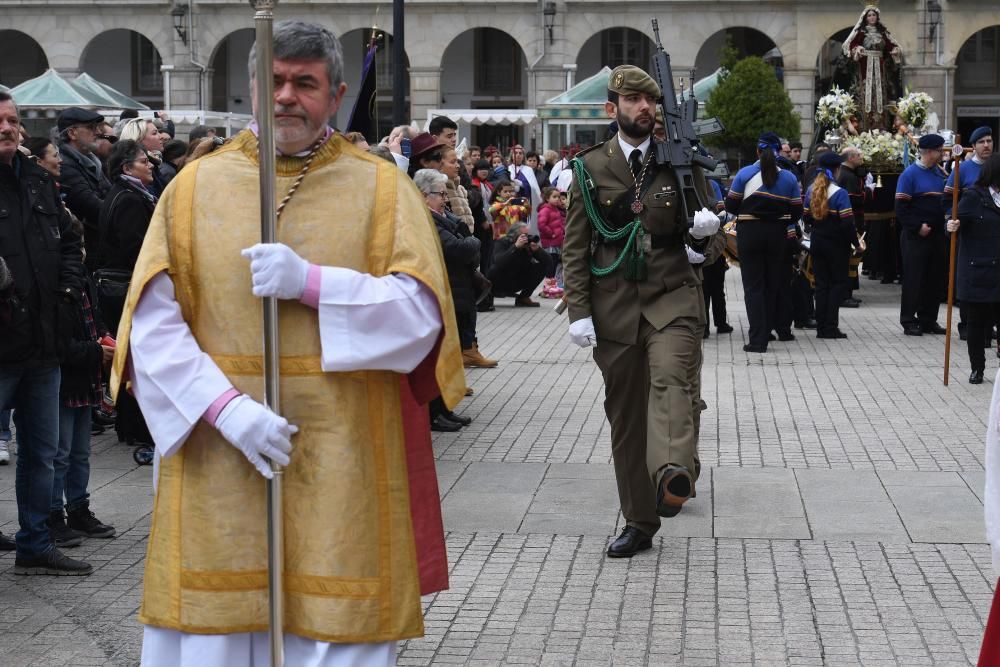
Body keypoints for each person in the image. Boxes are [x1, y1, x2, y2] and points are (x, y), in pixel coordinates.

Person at [109, 21, 464, 664]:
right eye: (272, 81)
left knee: (335, 620)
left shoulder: (382, 189)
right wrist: (226, 410)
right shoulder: (191, 189)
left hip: (345, 452)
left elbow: (423, 320)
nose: (286, 97)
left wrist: (316, 284)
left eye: (305, 83)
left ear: (336, 94)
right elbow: (152, 325)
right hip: (220, 450)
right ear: (250, 87)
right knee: (216, 627)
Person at [562, 65, 722, 559]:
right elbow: (575, 247)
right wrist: (578, 311)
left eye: (649, 100)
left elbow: (711, 239)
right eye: (632, 100)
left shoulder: (682, 162)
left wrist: (702, 242)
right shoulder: (590, 168)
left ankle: (673, 472)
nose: (644, 108)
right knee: (627, 417)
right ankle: (639, 520)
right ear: (613, 109)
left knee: (673, 380)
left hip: (671, 297)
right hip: (614, 308)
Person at [0, 91, 92, 575]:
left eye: (12, 119)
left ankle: (34, 543)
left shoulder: (37, 179)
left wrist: (68, 292)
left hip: (44, 344)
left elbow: (71, 239)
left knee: (41, 453)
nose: (7, 127)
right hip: (2, 344)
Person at [50, 218, 117, 548]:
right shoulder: (55, 285)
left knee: (79, 453)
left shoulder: (84, 280)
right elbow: (59, 345)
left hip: (86, 377)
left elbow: (97, 318)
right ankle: (53, 516)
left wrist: (105, 336)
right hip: (66, 379)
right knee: (58, 454)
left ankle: (79, 508)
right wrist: (96, 351)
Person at [726, 132, 804, 353]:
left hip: (749, 233)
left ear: (758, 151)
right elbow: (797, 211)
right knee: (772, 285)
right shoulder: (788, 178)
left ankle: (758, 339)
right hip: (777, 235)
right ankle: (768, 329)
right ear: (779, 152)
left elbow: (731, 205)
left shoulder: (744, 174)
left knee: (753, 287)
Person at [416, 168, 496, 370]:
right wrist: (473, 242)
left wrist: (471, 244)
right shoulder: (426, 218)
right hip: (447, 282)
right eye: (440, 194)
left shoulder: (445, 215)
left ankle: (461, 365)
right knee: (449, 336)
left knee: (460, 327)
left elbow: (468, 247)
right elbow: (457, 247)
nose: (445, 199)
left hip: (459, 281)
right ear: (424, 196)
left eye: (445, 194)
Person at [946, 153, 1000, 384]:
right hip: (978, 270)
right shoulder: (973, 197)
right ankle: (977, 367)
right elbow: (953, 222)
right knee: (976, 324)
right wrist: (950, 225)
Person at [896, 133, 947, 336]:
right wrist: (917, 227)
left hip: (937, 235)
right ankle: (909, 319)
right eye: (940, 150)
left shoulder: (940, 173)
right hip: (916, 236)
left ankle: (928, 319)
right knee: (914, 278)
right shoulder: (909, 175)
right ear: (930, 152)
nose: (943, 154)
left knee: (935, 278)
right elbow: (901, 208)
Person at [804, 151, 856, 339]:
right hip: (837, 246)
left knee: (821, 286)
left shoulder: (811, 190)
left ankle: (820, 327)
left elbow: (806, 217)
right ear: (836, 169)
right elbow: (847, 222)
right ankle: (830, 327)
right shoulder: (840, 193)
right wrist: (855, 243)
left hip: (817, 242)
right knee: (837, 285)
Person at [57, 107, 112, 267]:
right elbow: (93, 207)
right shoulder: (65, 165)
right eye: (90, 128)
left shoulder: (93, 161)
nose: (97, 132)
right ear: (72, 133)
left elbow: (110, 195)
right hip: (89, 253)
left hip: (99, 248)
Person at [843, 5, 902, 130]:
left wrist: (895, 51)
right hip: (865, 69)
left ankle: (882, 127)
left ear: (877, 17)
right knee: (866, 95)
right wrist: (857, 49)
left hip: (880, 70)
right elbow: (851, 45)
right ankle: (864, 127)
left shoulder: (883, 33)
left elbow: (891, 46)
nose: (872, 17)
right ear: (865, 18)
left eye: (874, 15)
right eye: (869, 15)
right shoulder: (861, 33)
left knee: (881, 96)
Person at [487, 222, 552, 307]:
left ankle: (523, 298)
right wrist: (515, 247)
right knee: (493, 269)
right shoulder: (502, 242)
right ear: (514, 235)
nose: (526, 238)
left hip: (518, 281)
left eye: (527, 235)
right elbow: (499, 262)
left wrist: (538, 250)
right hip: (500, 282)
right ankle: (487, 298)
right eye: (524, 235)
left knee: (542, 266)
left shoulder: (528, 246)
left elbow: (549, 262)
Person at [537, 186, 565, 298]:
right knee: (550, 263)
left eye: (558, 197)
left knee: (554, 262)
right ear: (547, 198)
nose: (557, 199)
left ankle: (552, 285)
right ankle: (548, 286)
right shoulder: (545, 209)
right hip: (550, 242)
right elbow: (542, 225)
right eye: (554, 197)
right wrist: (551, 234)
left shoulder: (555, 210)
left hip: (556, 241)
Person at [508, 144, 542, 232]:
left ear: (523, 156)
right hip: (511, 203)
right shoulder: (507, 169)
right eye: (515, 153)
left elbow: (533, 188)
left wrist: (522, 184)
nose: (518, 155)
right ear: (512, 155)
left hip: (525, 203)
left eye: (520, 153)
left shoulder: (528, 170)